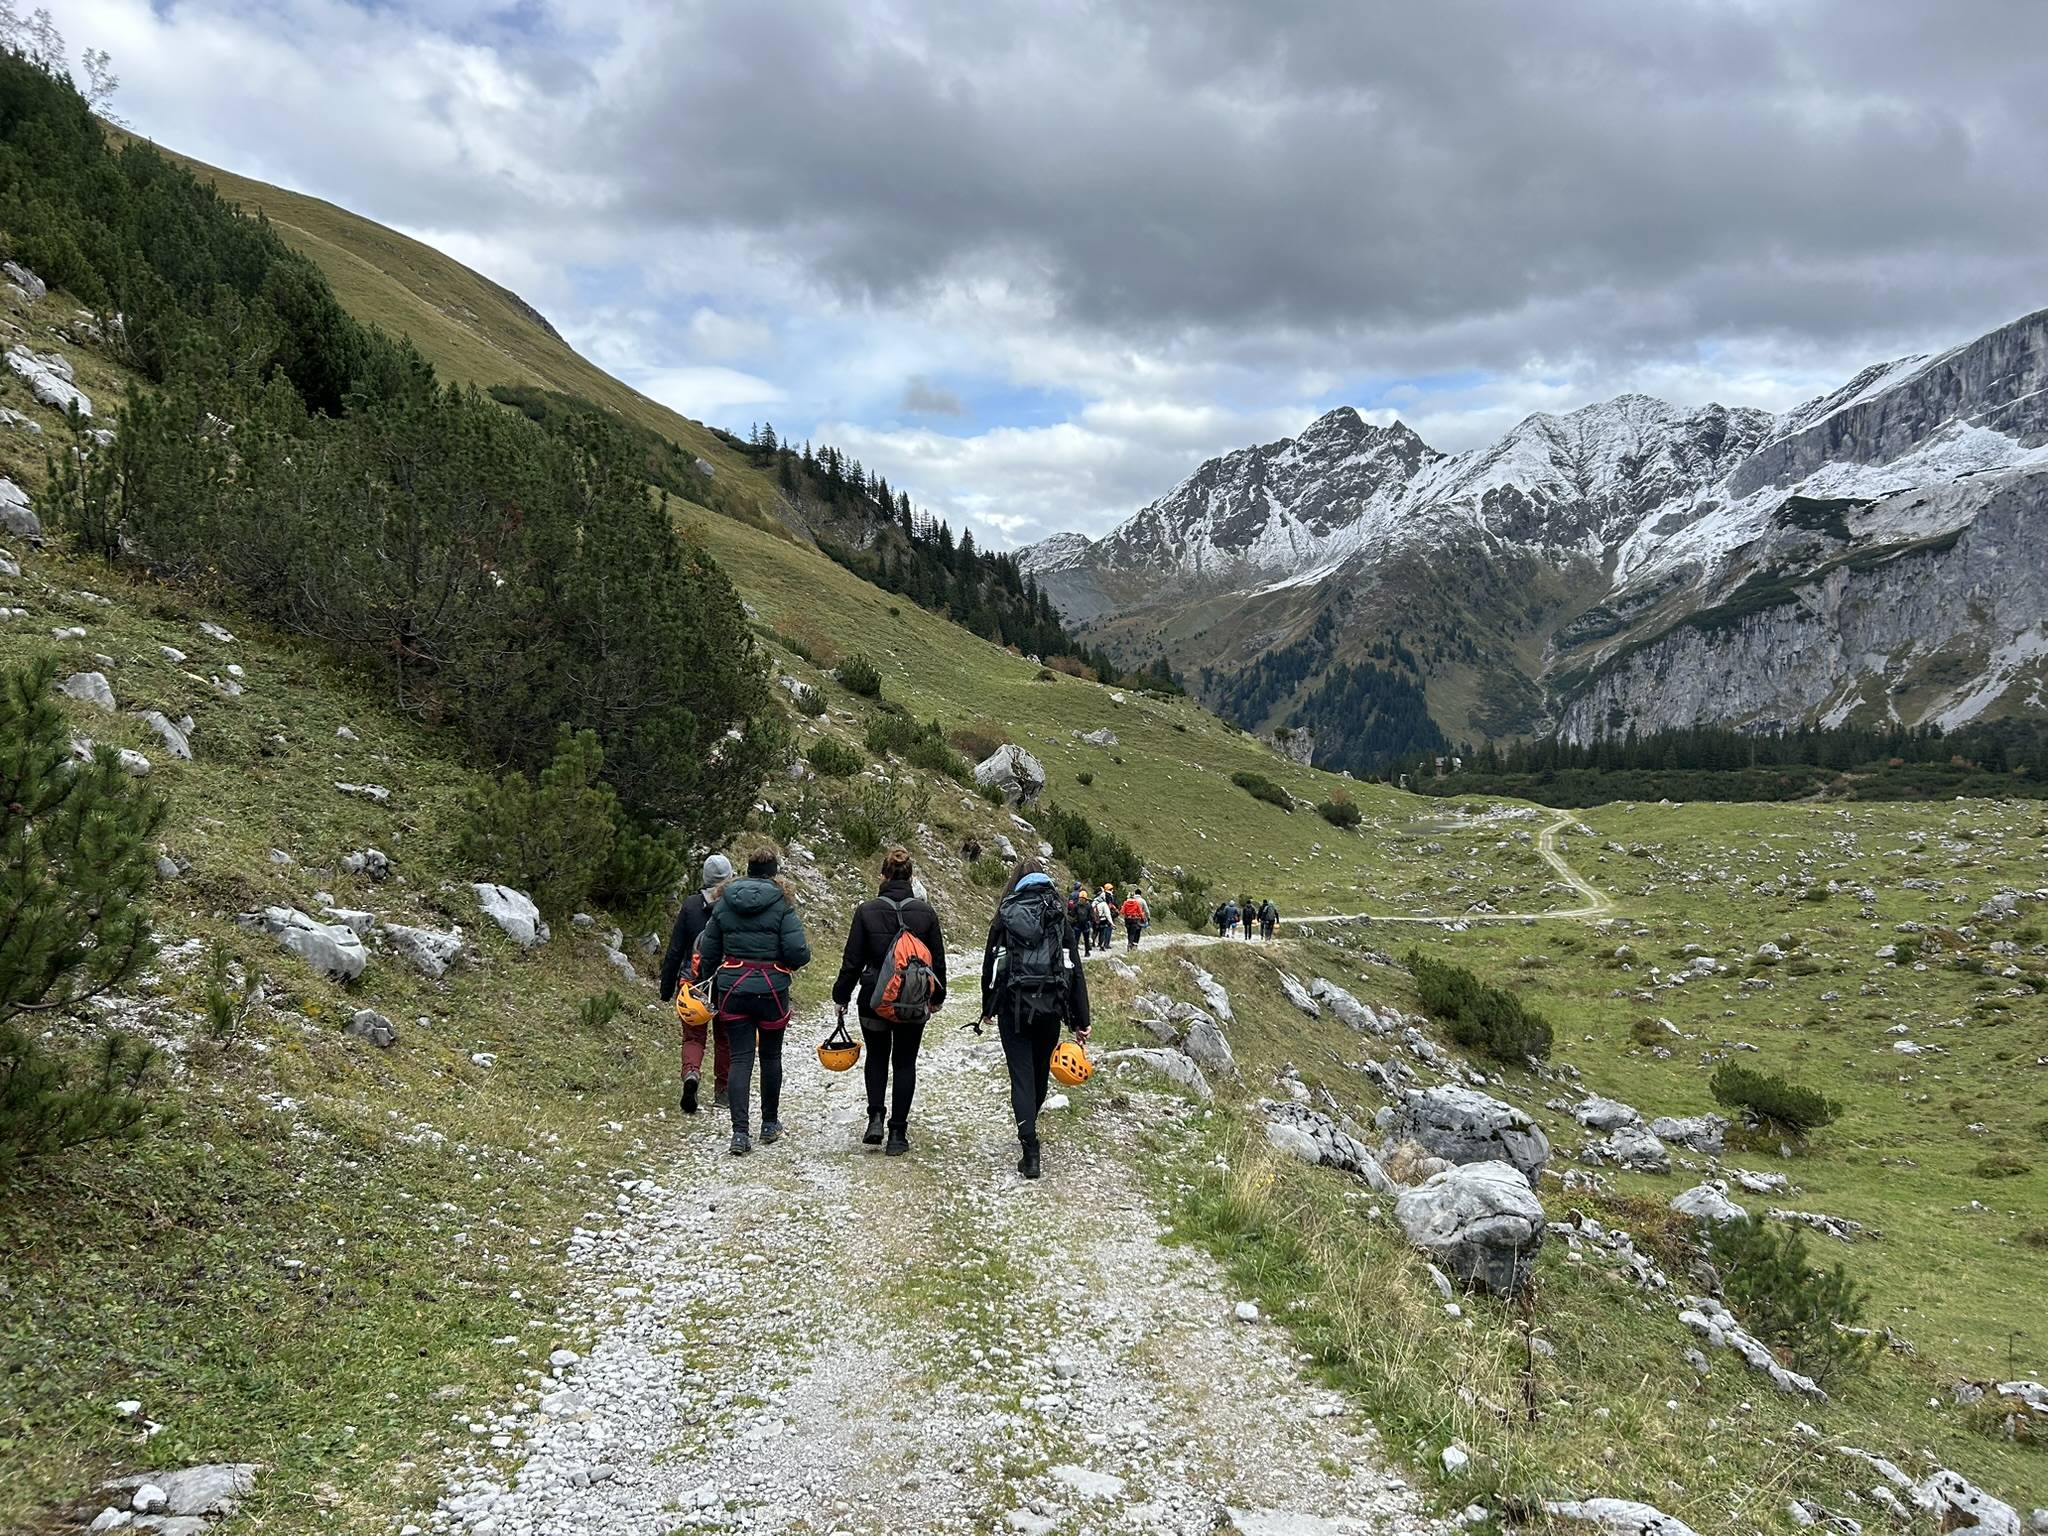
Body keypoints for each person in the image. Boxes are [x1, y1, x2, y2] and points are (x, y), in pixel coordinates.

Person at [692, 845, 811, 1156]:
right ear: (774, 872)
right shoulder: (782, 903)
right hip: (772, 990)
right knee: (771, 1057)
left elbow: (708, 951)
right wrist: (784, 964)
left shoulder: (724, 901)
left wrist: (707, 983)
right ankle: (769, 1124)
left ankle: (739, 1134)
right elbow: (799, 952)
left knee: (740, 1059)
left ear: (747, 869)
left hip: (733, 990)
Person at [832, 846, 947, 1156]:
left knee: (877, 1057)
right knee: (905, 1062)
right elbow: (937, 962)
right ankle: (898, 1133)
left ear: (882, 876)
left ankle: (875, 1118)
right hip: (913, 1001)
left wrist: (841, 996)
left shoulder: (866, 911)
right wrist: (937, 997)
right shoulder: (925, 913)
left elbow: (852, 961)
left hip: (874, 999)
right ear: (911, 877)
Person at [980, 860, 1090, 1180]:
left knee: (1021, 1078)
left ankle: (1030, 1149)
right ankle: (1031, 1123)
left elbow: (992, 965)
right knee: (1040, 1074)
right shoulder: (1058, 916)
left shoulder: (1005, 915)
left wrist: (988, 1006)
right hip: (1050, 1010)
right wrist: (1080, 1019)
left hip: (1013, 1010)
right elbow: (1073, 970)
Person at [659, 853, 735, 1114]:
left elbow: (675, 950)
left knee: (693, 1037)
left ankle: (691, 1073)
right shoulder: (734, 905)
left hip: (692, 983)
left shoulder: (691, 905)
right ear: (729, 877)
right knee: (725, 1039)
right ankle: (722, 1092)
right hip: (726, 982)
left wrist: (666, 988)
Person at [1068, 882, 1092, 956]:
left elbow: (1072, 914)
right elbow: (1091, 915)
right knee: (1086, 939)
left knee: (1076, 939)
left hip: (1077, 924)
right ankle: (1087, 952)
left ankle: (1075, 953)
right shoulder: (1088, 905)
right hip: (1086, 925)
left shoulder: (1075, 905)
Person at [1092, 888, 1114, 953]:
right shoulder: (1104, 904)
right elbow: (1108, 914)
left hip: (1095, 920)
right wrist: (1111, 923)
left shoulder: (1093, 902)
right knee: (1102, 933)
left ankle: (1093, 942)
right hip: (1102, 920)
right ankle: (1101, 945)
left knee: (1095, 931)